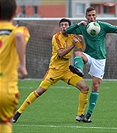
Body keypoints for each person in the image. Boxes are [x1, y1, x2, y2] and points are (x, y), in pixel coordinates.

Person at [12, 18, 92, 123]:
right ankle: (18, 113)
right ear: (60, 27)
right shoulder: (56, 37)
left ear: (69, 27)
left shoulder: (73, 37)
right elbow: (61, 53)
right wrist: (73, 45)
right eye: (62, 25)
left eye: (66, 25)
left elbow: (82, 50)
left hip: (66, 70)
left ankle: (79, 115)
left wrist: (82, 39)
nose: (64, 27)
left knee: (85, 88)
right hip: (54, 70)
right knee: (39, 91)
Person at [66, 7, 117, 122]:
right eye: (89, 15)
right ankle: (79, 70)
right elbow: (68, 31)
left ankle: (88, 115)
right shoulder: (83, 26)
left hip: (100, 59)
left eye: (94, 15)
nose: (92, 17)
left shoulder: (103, 26)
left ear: (96, 16)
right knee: (78, 53)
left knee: (95, 86)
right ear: (86, 16)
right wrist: (78, 24)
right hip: (89, 56)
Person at [0, 0, 30, 133]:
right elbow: (19, 37)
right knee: (4, 123)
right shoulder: (19, 31)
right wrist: (22, 66)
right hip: (5, 90)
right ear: (15, 13)